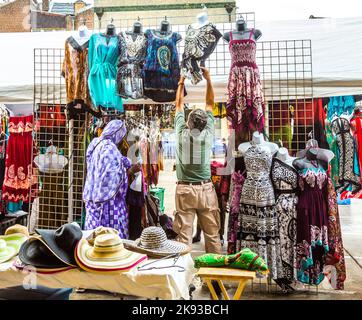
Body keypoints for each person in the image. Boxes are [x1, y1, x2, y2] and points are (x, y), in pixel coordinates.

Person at [173, 67, 222, 255]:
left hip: (185, 190)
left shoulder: (180, 133)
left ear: (188, 122)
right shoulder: (208, 134)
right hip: (206, 190)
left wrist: (181, 81)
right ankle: (214, 280)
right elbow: (210, 102)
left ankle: (183, 279)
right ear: (204, 123)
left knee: (183, 237)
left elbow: (178, 104)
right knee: (212, 236)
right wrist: (208, 78)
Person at [83, 119, 139, 238]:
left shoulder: (96, 144)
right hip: (108, 205)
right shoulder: (110, 148)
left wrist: (125, 162)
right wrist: (128, 171)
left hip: (92, 199)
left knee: (94, 239)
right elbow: (110, 176)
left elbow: (103, 165)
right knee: (109, 240)